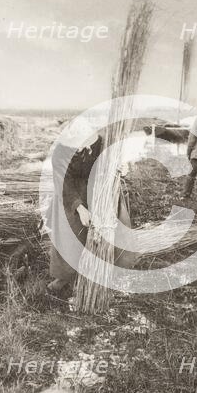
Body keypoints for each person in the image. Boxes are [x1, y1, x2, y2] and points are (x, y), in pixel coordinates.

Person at [45, 125, 136, 294]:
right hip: (71, 194)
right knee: (70, 230)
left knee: (112, 228)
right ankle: (65, 276)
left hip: (100, 189)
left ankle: (110, 271)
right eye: (75, 146)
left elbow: (119, 163)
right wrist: (79, 208)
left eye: (82, 145)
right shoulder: (60, 152)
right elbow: (64, 183)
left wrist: (123, 169)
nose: (79, 148)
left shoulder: (104, 143)